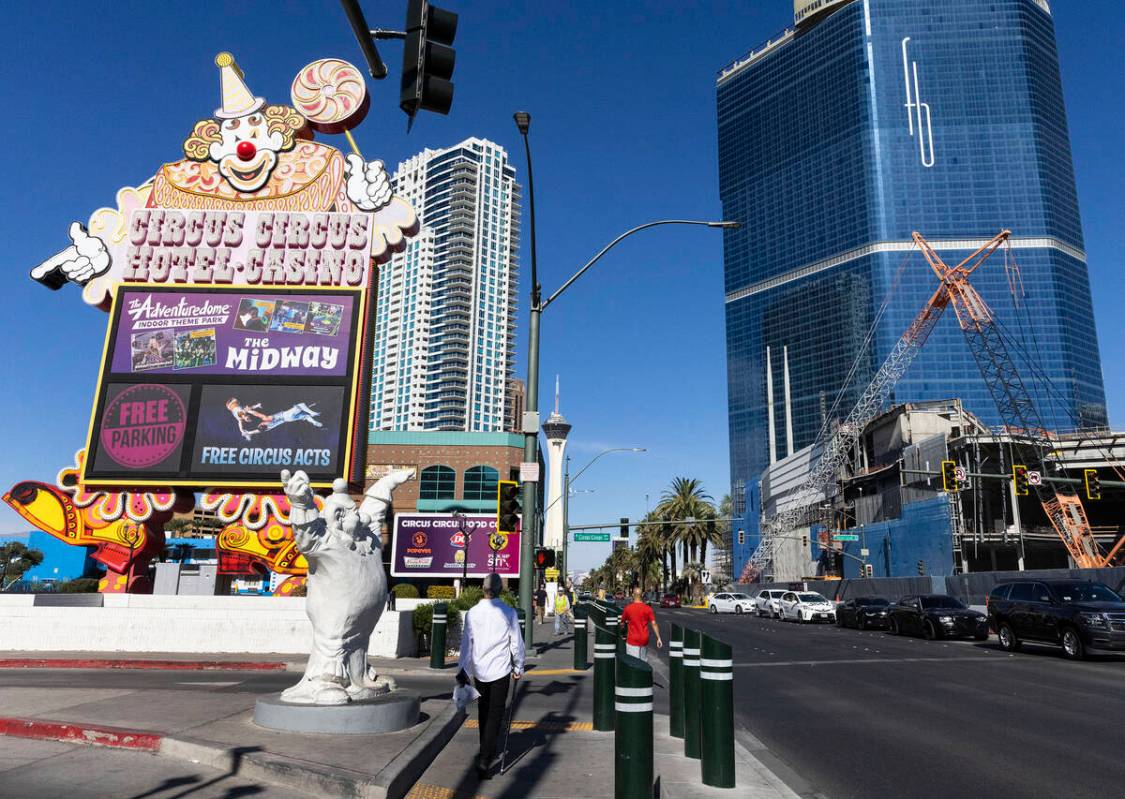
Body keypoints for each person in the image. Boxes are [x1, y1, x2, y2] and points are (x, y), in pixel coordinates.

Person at [456, 573, 524, 780]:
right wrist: (518, 666)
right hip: (500, 670)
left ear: (483, 588)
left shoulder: (472, 613)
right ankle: (485, 757)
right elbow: (516, 643)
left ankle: (485, 750)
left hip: (479, 668)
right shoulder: (509, 612)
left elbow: (467, 644)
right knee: (495, 713)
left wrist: (463, 669)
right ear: (499, 589)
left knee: (483, 711)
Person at [621, 585, 662, 662]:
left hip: (632, 639)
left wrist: (623, 633)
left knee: (633, 662)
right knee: (643, 661)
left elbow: (622, 623)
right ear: (642, 595)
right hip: (644, 639)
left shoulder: (628, 608)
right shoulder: (648, 609)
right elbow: (654, 624)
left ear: (633, 595)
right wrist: (658, 638)